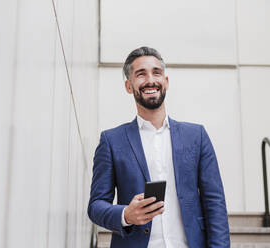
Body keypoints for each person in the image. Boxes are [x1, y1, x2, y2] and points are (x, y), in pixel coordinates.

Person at [88, 47, 230, 248]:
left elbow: (215, 203)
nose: (150, 80)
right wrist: (125, 215)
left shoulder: (196, 136)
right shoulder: (111, 141)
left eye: (156, 73)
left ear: (166, 82)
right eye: (140, 74)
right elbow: (95, 206)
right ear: (129, 86)